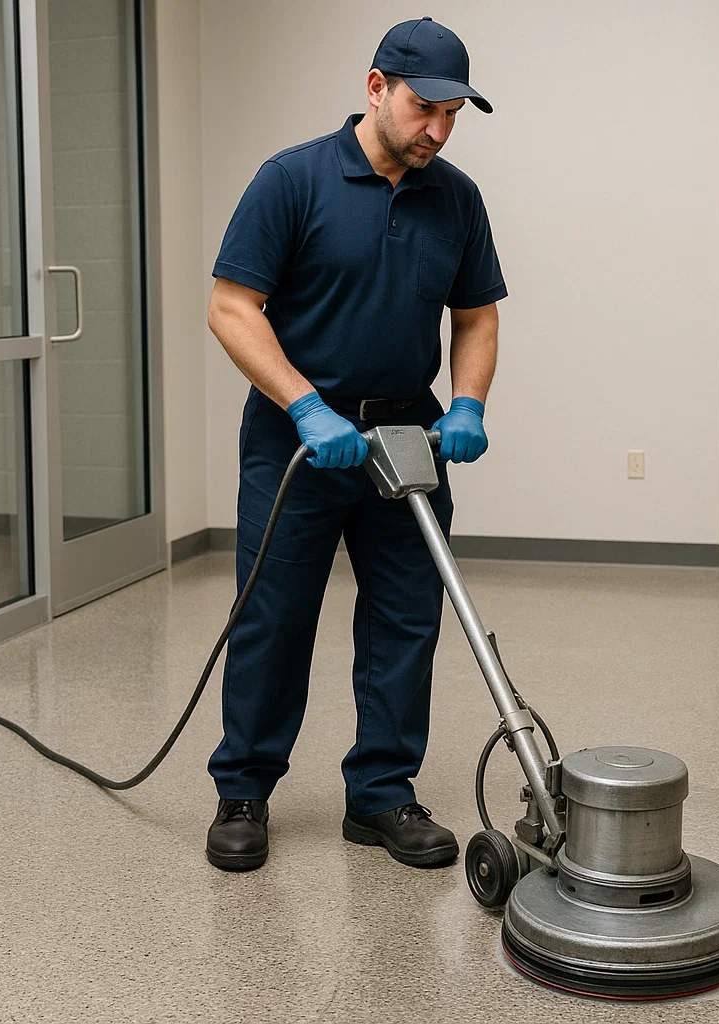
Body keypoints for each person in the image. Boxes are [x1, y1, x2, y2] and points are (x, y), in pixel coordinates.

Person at [204, 17, 507, 872]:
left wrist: (470, 404)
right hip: (298, 440)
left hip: (409, 434)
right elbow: (233, 307)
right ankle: (244, 789)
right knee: (274, 617)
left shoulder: (456, 196)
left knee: (407, 618)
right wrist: (305, 406)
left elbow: (477, 313)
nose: (439, 131)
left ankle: (381, 797)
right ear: (376, 89)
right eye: (425, 108)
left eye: (454, 114)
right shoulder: (292, 180)